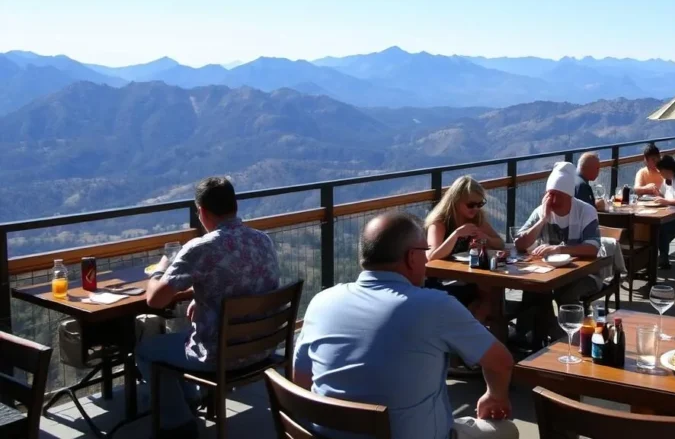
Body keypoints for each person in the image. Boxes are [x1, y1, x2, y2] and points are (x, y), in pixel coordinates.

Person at [293, 213, 518, 439]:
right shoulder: (435, 306)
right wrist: (495, 396)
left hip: (324, 435)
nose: (427, 260)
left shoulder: (322, 301)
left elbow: (301, 377)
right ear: (411, 257)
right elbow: (501, 362)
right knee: (507, 430)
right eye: (424, 251)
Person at [139, 177, 281, 439]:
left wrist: (159, 271)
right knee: (179, 340)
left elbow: (155, 300)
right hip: (264, 347)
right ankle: (189, 402)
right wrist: (200, 295)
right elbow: (246, 285)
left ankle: (178, 425)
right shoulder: (263, 240)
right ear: (234, 206)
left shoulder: (200, 247)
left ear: (201, 211)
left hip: (220, 356)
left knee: (147, 350)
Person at [515, 163, 601, 337]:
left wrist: (559, 249)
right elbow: (520, 244)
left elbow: (593, 248)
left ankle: (567, 337)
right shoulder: (542, 211)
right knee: (534, 288)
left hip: (586, 274)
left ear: (569, 196)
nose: (552, 200)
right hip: (550, 272)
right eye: (549, 194)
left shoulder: (585, 211)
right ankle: (530, 336)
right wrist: (542, 221)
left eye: (557, 195)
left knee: (566, 293)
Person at [424, 176, 504, 319]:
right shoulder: (440, 222)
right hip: (441, 281)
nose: (476, 208)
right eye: (471, 204)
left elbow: (500, 243)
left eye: (480, 204)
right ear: (456, 201)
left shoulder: (476, 219)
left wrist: (484, 238)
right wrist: (456, 235)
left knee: (492, 297)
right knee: (486, 298)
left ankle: (479, 335)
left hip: (467, 278)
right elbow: (431, 256)